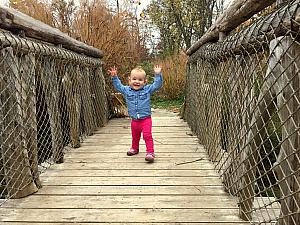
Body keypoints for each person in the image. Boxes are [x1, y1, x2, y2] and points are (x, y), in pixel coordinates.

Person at [108, 65, 163, 162]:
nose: (137, 81)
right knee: (135, 136)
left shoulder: (147, 90)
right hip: (134, 120)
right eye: (134, 79)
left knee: (147, 135)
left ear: (145, 81)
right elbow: (118, 86)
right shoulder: (126, 90)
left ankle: (150, 152)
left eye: (140, 80)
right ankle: (135, 148)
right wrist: (114, 77)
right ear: (129, 80)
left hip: (146, 119)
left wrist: (158, 74)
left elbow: (157, 85)